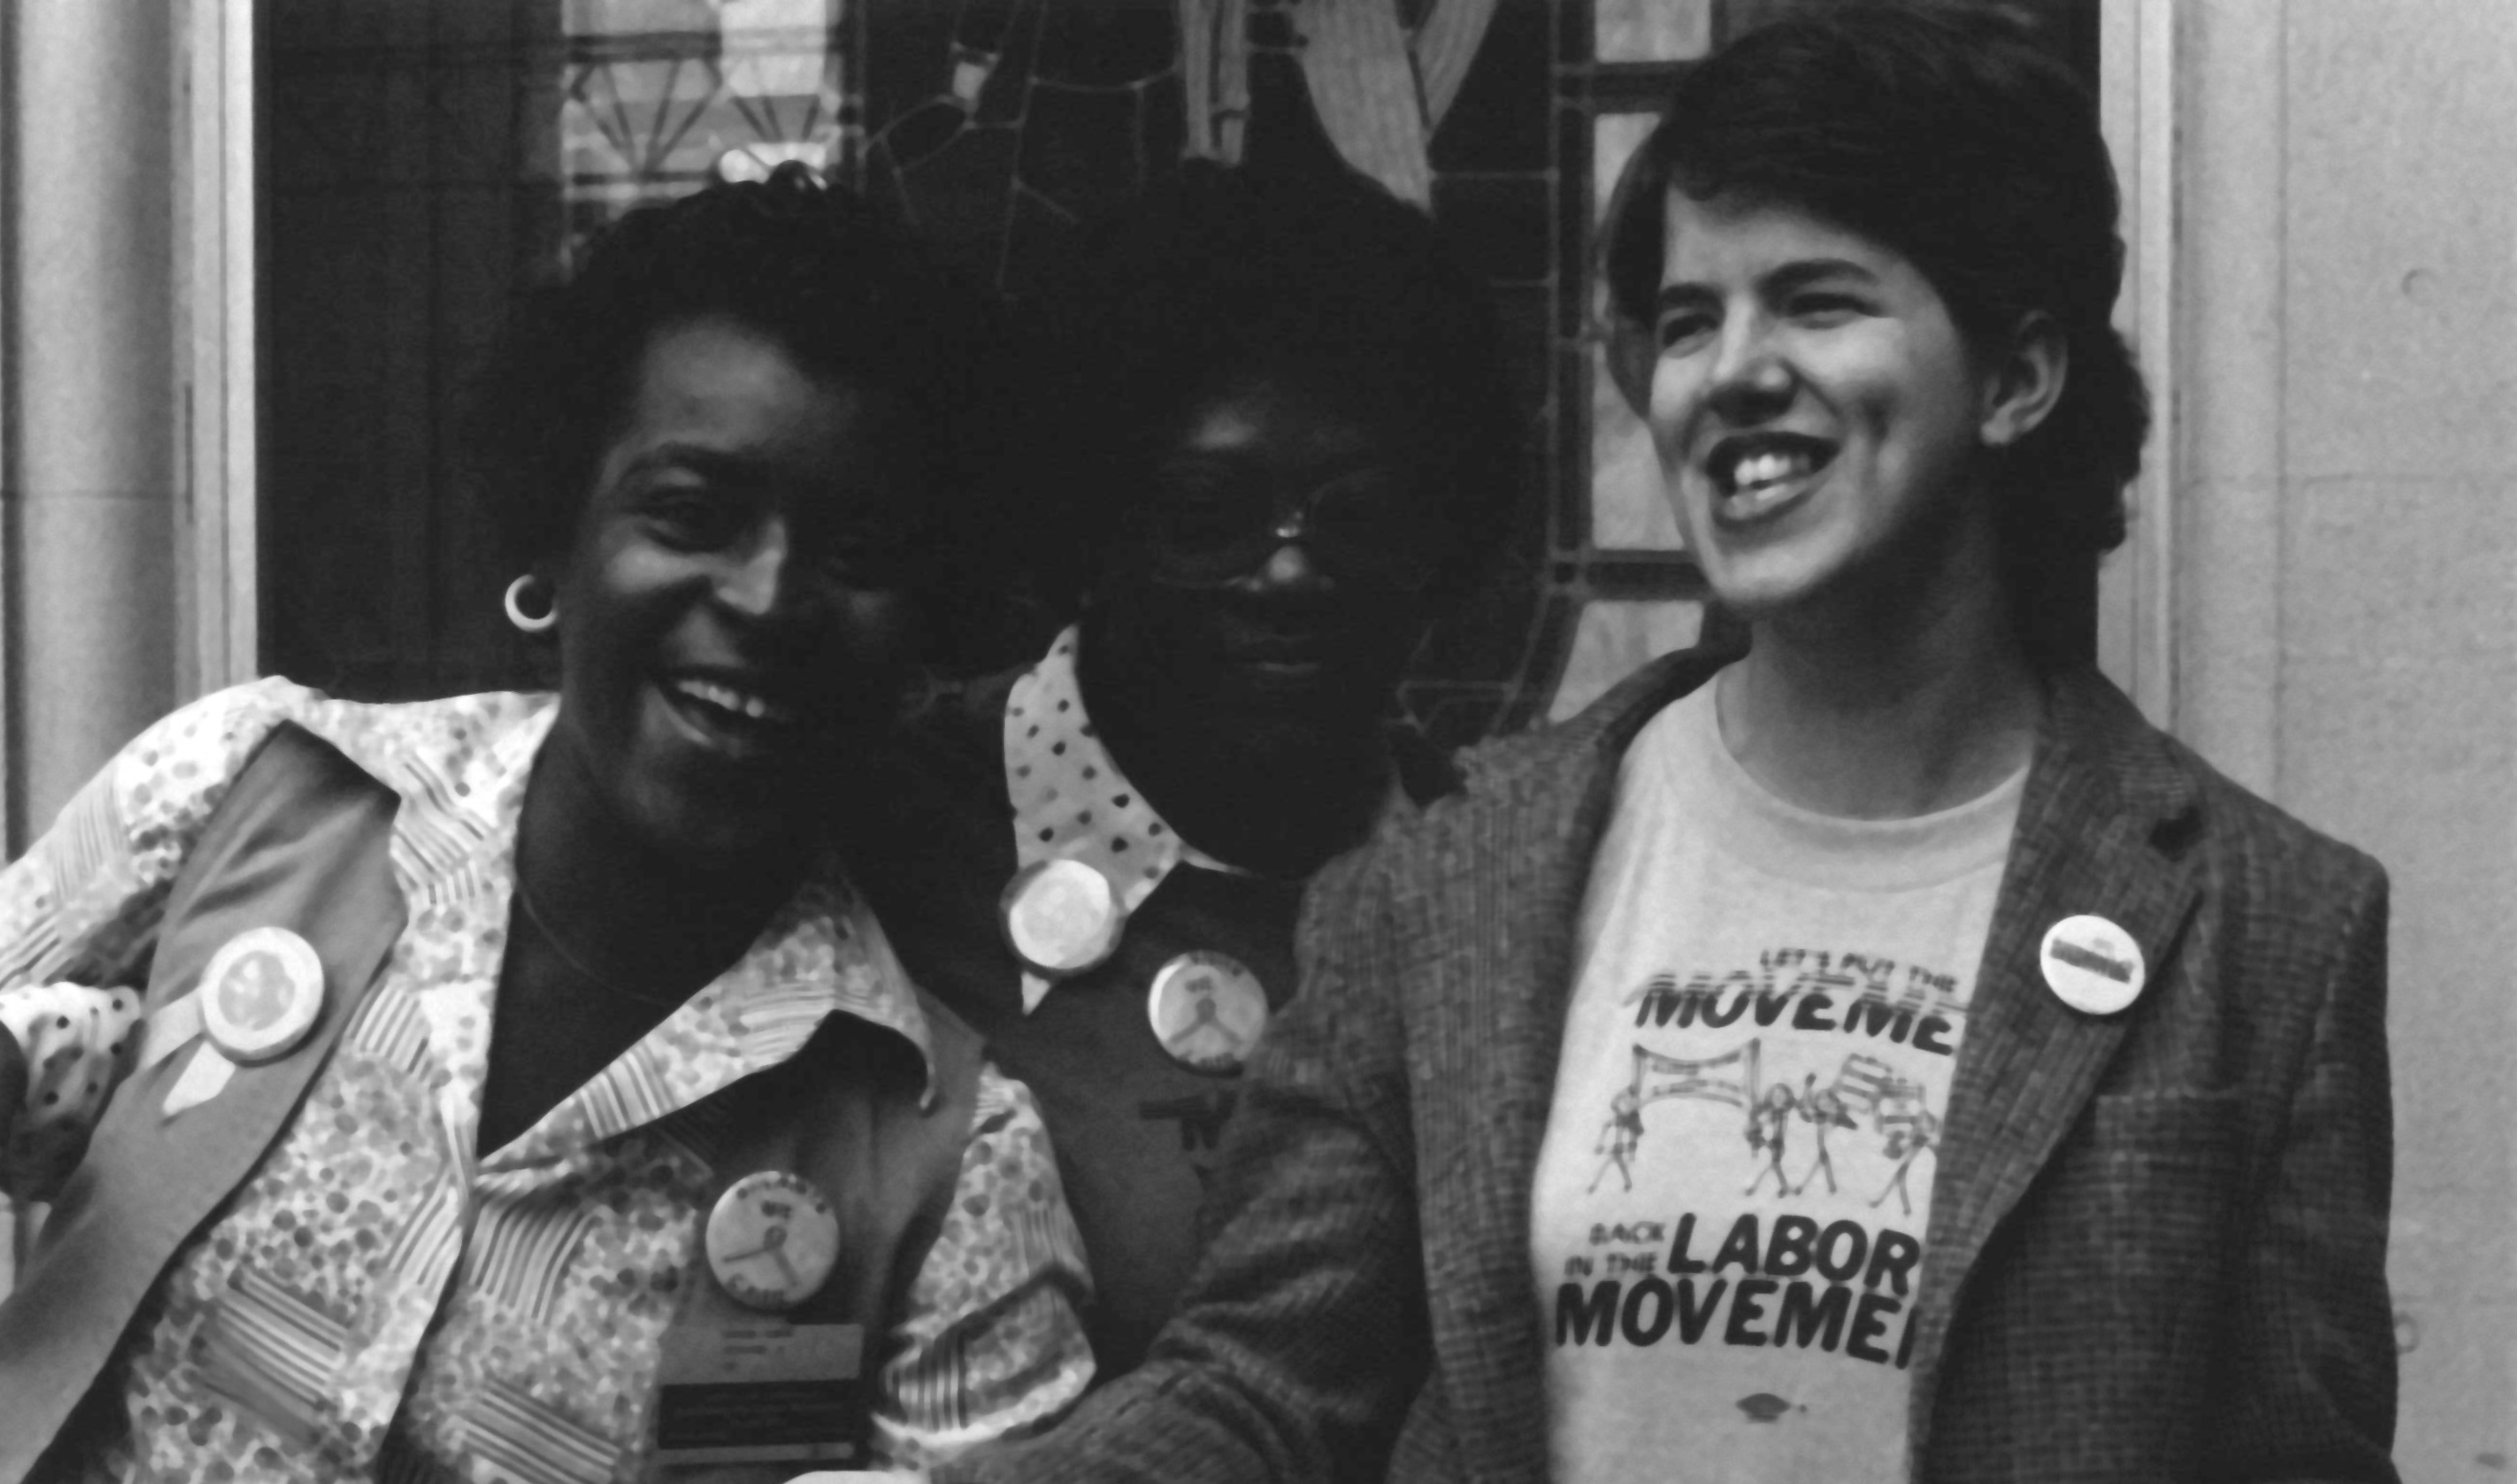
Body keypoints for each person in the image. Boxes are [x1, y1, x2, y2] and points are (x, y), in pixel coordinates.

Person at [874, 7, 2399, 1481]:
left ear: (2013, 377)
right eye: (1684, 321)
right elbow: (1262, 1388)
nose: (1726, 370)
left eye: (1814, 299)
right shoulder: (1447, 881)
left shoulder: (2262, 929)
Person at [0, 170, 1095, 1483]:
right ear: (557, 535)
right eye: (691, 510)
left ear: (931, 621)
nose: (769, 598)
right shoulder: (257, 784)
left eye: (856, 556)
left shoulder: (946, 1171)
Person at [834, 159, 1514, 1381]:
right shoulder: (878, 824)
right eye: (1209, 509)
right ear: (1089, 522)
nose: (1290, 575)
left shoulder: (1499, 875)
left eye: (1354, 516)